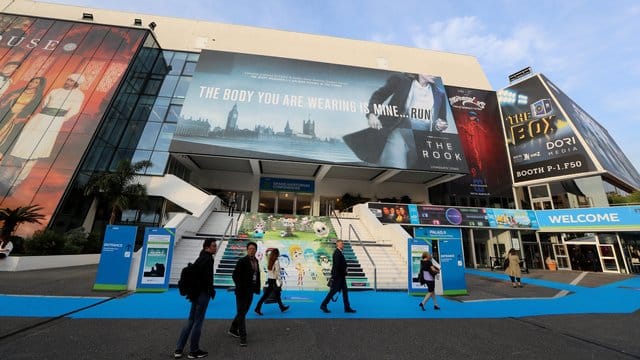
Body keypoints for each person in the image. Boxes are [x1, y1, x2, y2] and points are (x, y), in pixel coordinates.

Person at [5, 73, 85, 188]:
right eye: (68, 79)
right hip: (39, 119)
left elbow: (74, 111)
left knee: (34, 154)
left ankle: (15, 182)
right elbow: (45, 104)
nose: (67, 82)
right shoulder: (55, 91)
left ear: (76, 84)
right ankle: (7, 175)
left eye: (71, 81)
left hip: (53, 123)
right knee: (21, 147)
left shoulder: (79, 95)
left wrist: (57, 120)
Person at [366, 72, 449, 168]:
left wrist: (441, 125)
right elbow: (379, 95)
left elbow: (442, 119)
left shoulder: (439, 93)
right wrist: (371, 114)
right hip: (399, 130)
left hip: (422, 138)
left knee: (414, 168)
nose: (434, 74)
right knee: (396, 166)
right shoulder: (401, 80)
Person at [174, 238, 217, 359]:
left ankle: (179, 349)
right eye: (213, 246)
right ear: (207, 247)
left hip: (194, 293)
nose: (215, 248)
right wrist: (209, 290)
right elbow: (206, 279)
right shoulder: (208, 259)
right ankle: (194, 350)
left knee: (190, 320)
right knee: (198, 322)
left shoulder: (200, 257)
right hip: (202, 294)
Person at [0, 77, 47, 158]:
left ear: (39, 86)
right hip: (5, 116)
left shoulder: (37, 97)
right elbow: (2, 105)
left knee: (6, 141)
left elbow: (34, 114)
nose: (32, 83)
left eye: (36, 83)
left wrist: (21, 119)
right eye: (32, 81)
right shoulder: (17, 92)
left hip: (17, 121)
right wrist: (9, 99)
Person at [228, 241, 260, 347]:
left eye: (254, 249)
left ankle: (233, 328)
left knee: (244, 311)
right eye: (250, 249)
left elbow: (256, 275)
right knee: (241, 313)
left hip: (250, 291)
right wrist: (240, 286)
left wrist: (257, 288)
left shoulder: (256, 261)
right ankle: (243, 337)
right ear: (247, 250)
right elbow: (235, 275)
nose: (252, 250)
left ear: (256, 250)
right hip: (242, 292)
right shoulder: (242, 261)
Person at [320, 239, 356, 313]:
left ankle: (347, 308)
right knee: (333, 292)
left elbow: (340, 264)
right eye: (341, 244)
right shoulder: (337, 253)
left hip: (341, 276)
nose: (343, 245)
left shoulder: (339, 252)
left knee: (345, 292)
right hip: (338, 276)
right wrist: (345, 270)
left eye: (343, 244)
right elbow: (337, 265)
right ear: (338, 245)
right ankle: (323, 305)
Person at [254, 248, 290, 315]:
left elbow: (270, 272)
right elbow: (278, 273)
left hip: (270, 280)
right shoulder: (276, 261)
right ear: (277, 254)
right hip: (274, 281)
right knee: (266, 296)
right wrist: (280, 281)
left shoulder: (270, 260)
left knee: (276, 295)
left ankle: (282, 307)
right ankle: (257, 308)